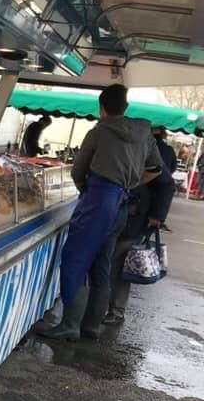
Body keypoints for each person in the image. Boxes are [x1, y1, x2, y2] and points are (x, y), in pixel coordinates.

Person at [36, 84, 164, 341]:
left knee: (75, 260)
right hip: (122, 205)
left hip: (98, 201)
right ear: (126, 107)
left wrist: (88, 191)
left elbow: (77, 171)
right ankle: (91, 325)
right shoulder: (144, 133)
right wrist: (129, 185)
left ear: (101, 107)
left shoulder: (99, 132)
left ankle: (70, 325)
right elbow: (156, 169)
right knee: (102, 263)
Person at [104, 168, 174, 324]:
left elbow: (167, 184)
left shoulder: (149, 156)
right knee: (111, 264)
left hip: (131, 217)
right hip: (121, 213)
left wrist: (157, 216)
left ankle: (115, 310)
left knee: (118, 265)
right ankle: (108, 309)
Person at [151, 127, 177, 231]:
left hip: (146, 187)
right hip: (161, 189)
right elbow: (173, 168)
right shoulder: (169, 150)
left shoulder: (147, 146)